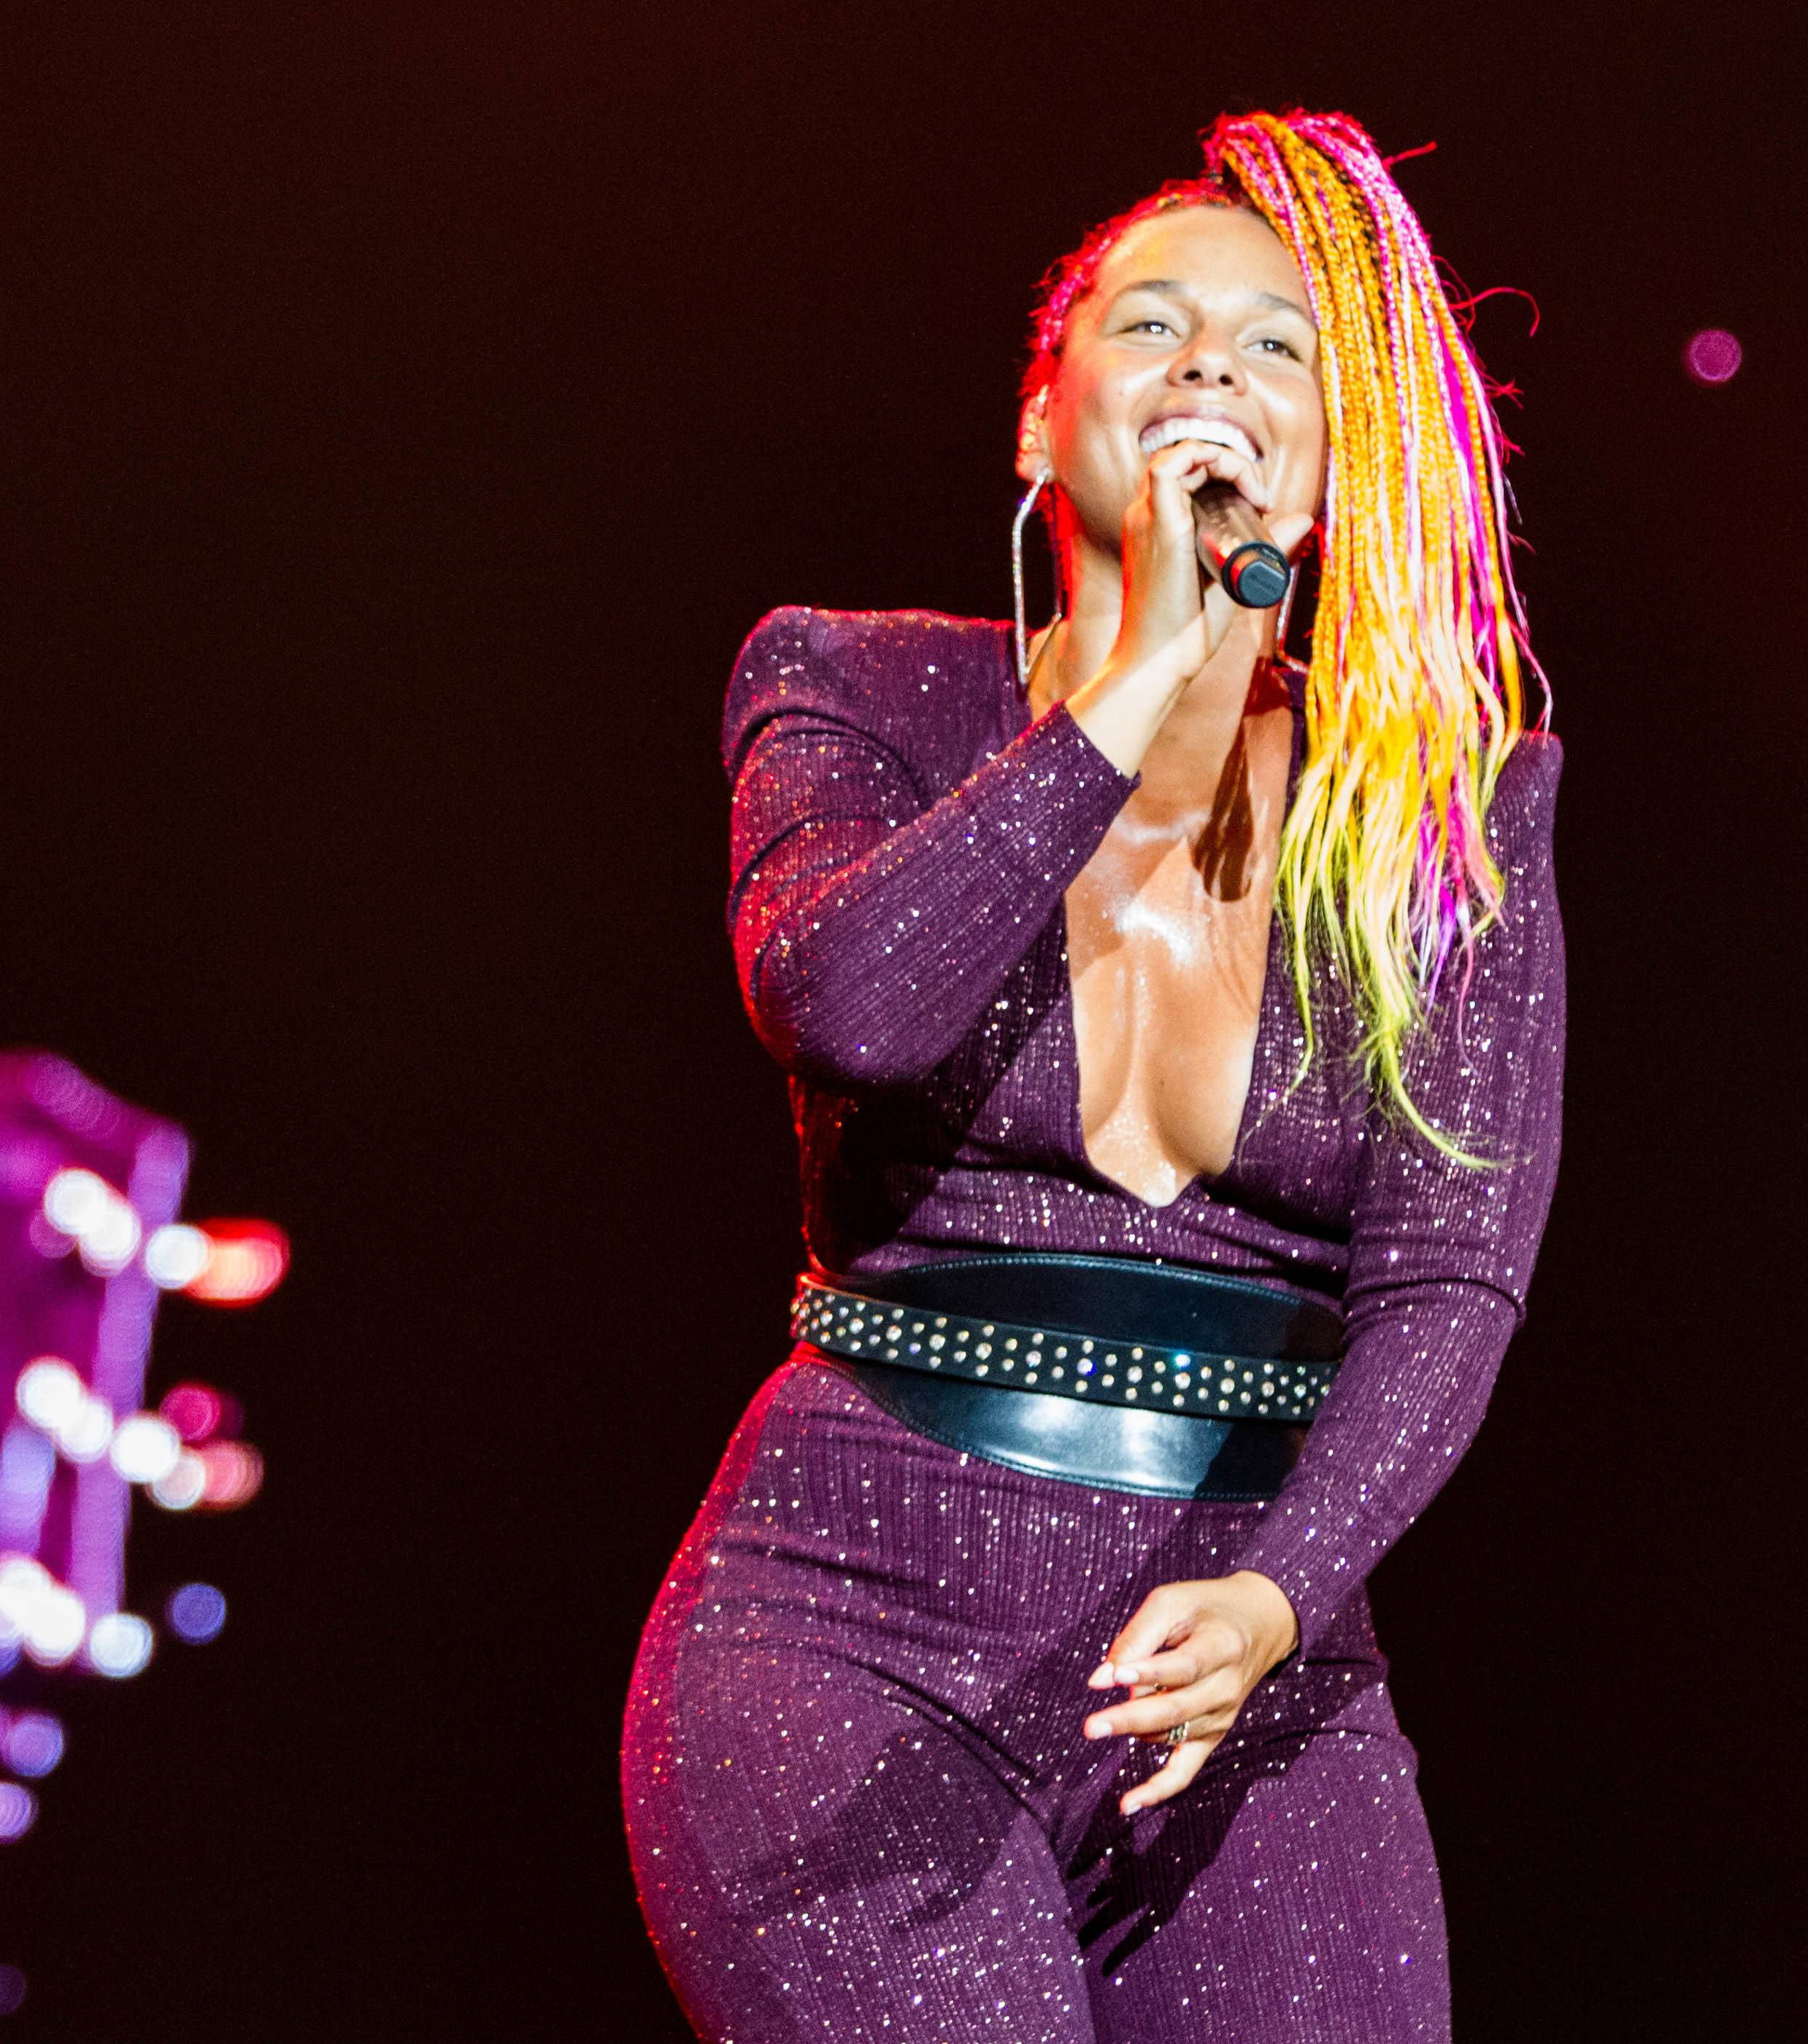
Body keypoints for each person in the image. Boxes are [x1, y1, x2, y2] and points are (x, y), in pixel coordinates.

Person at [623, 110, 1565, 2043]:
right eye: (1153, 327)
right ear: (1041, 430)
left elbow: (1451, 1278)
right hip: (846, 1638)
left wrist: (1285, 1592)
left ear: (1333, 465)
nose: (1212, 367)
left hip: (1250, 1658)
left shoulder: (1446, 816)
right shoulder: (854, 686)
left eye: (1276, 345)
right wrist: (1143, 678)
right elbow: (852, 1006)